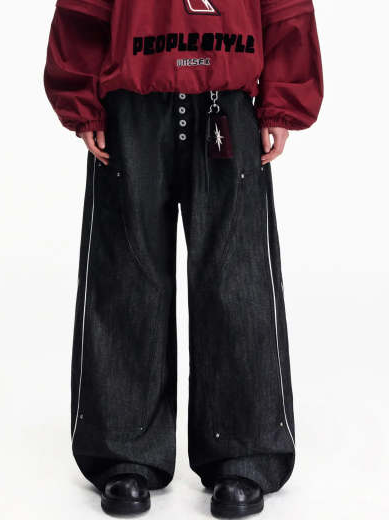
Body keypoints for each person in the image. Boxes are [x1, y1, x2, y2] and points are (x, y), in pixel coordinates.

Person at [44, 0, 323, 517]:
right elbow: (82, 9)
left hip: (228, 102)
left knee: (237, 277)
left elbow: (286, 9)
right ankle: (125, 453)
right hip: (131, 103)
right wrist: (83, 103)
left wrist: (280, 103)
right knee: (126, 275)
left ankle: (244, 452)